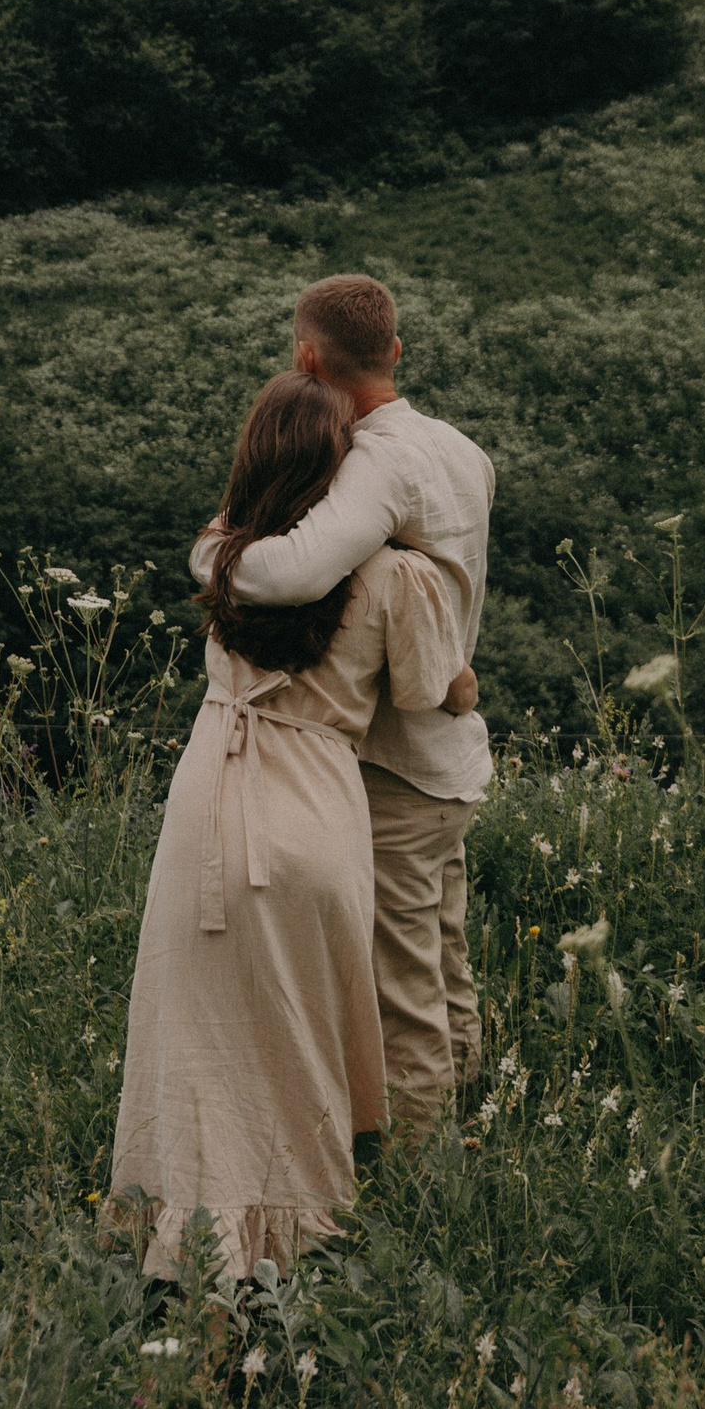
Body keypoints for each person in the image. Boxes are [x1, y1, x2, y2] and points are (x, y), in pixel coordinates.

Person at [102, 368, 474, 1282]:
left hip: (210, 802)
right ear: (341, 471)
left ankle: (187, 1242)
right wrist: (464, 675)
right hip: (316, 806)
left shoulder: (224, 556)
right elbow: (439, 692)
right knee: (302, 1036)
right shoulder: (395, 577)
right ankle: (302, 1236)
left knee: (196, 1035)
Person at [222, 274, 493, 1141]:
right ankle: (472, 1103)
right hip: (454, 754)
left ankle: (423, 1172)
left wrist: (213, 558)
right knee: (443, 956)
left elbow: (297, 571)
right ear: (397, 351)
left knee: (402, 981)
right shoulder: (462, 448)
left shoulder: (377, 460)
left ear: (309, 358)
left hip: (398, 761)